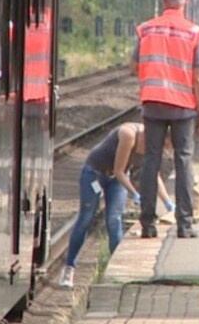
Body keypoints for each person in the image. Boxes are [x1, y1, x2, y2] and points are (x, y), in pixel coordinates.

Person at [131, 0, 199, 239]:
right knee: (184, 160)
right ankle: (185, 224)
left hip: (153, 103)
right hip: (183, 107)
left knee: (151, 160)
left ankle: (147, 224)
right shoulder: (193, 32)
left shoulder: (147, 30)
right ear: (184, 1)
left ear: (164, 0)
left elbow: (134, 67)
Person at [59, 123, 174, 287]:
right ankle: (69, 268)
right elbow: (119, 170)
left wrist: (167, 202)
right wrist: (134, 193)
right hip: (95, 174)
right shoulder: (129, 135)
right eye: (162, 145)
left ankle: (114, 272)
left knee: (114, 220)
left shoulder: (152, 144)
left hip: (117, 180)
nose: (160, 148)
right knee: (86, 218)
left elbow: (153, 174)